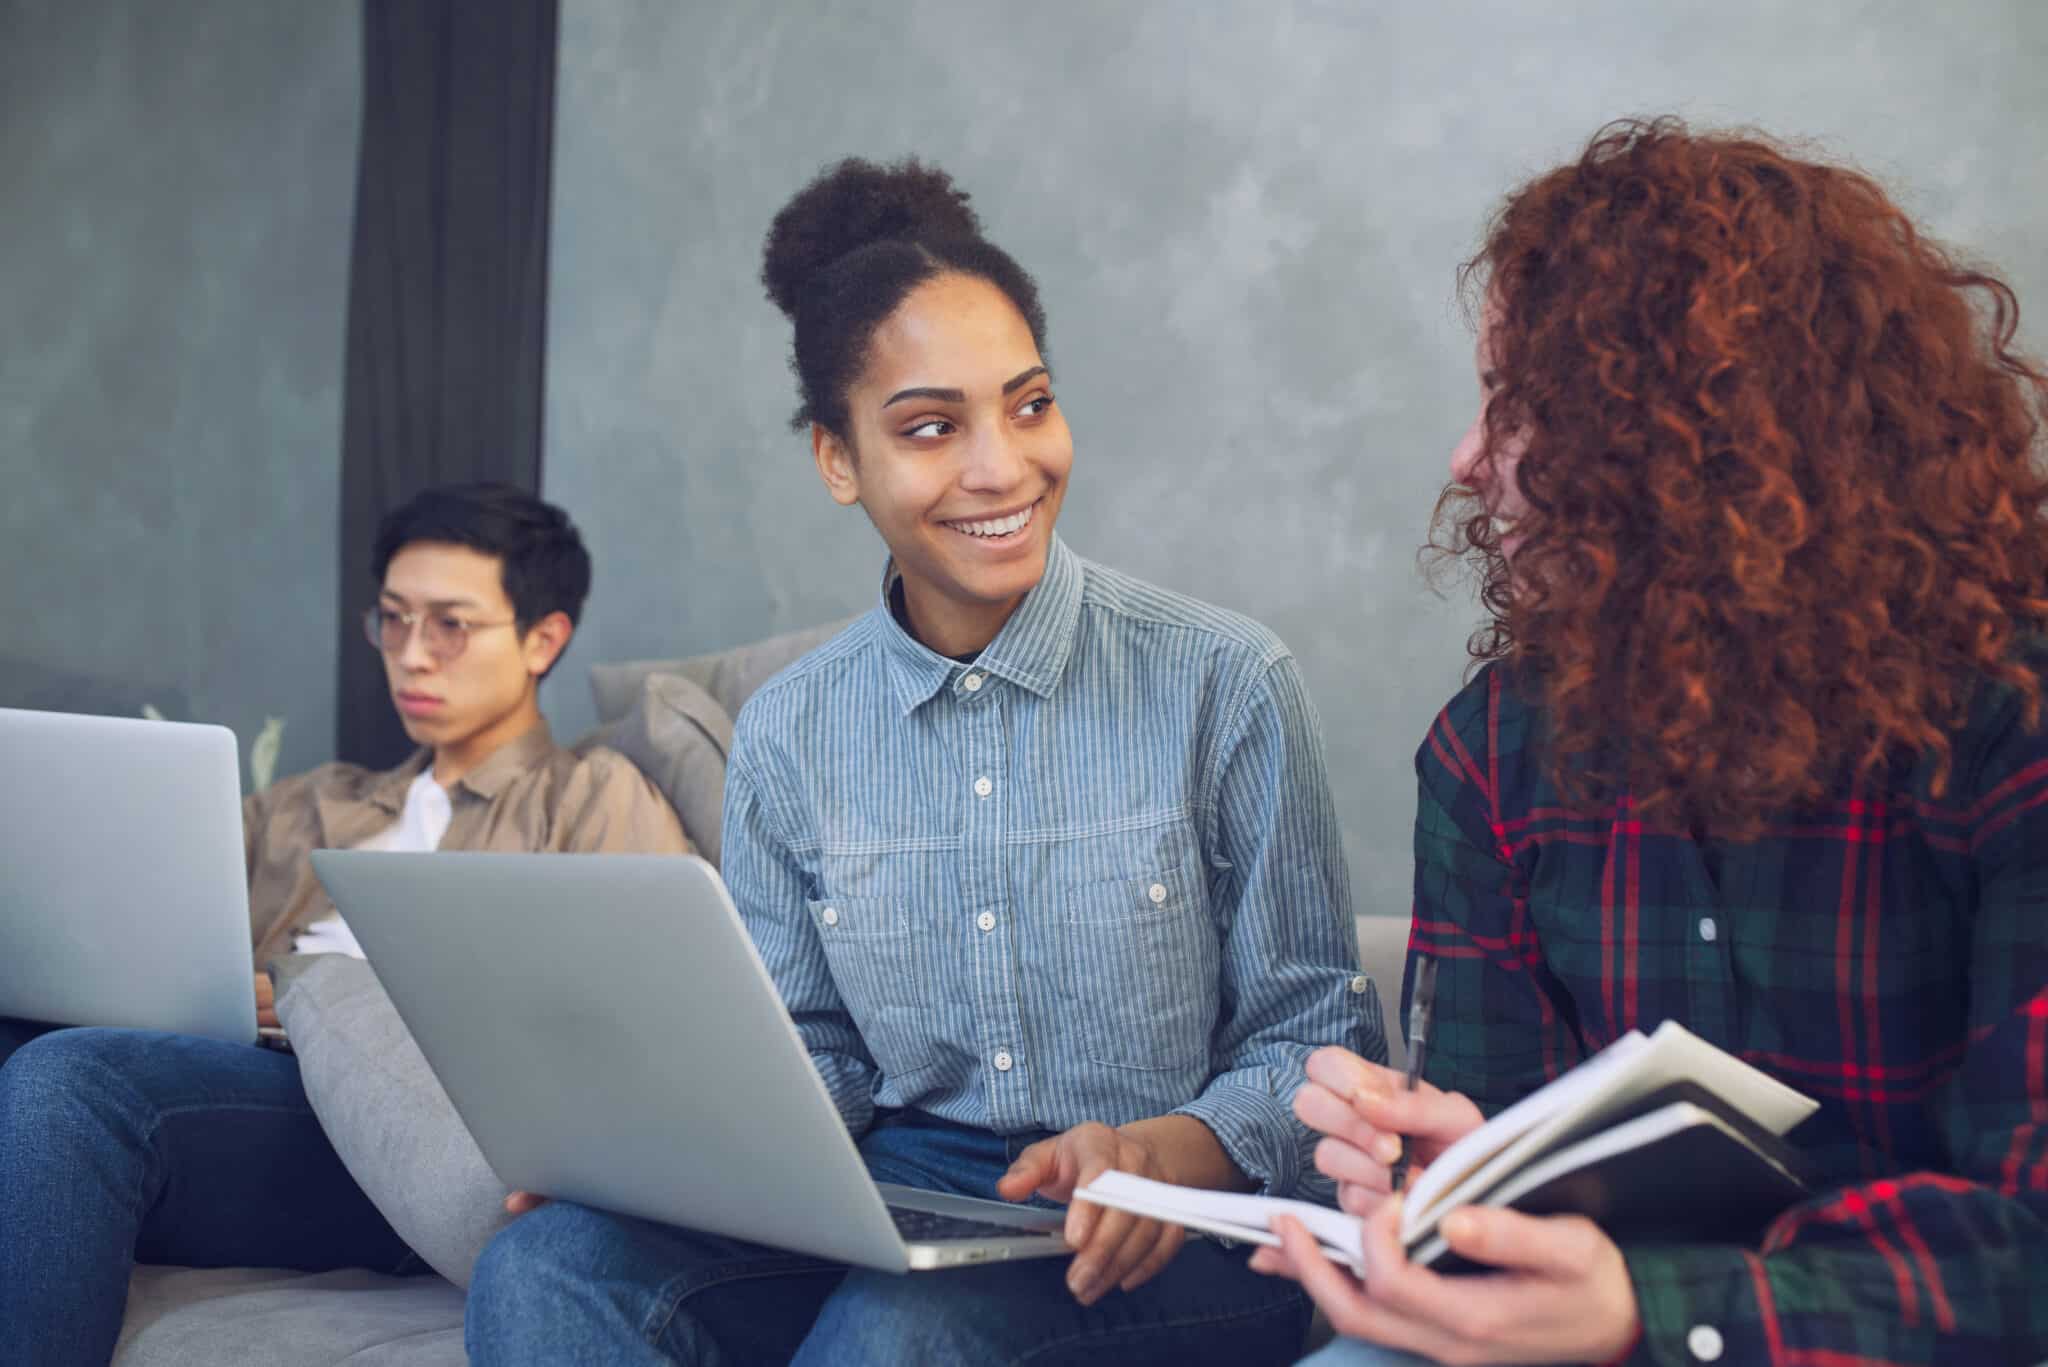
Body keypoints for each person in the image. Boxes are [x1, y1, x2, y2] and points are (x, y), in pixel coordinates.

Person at [460, 158, 1381, 1365]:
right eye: (931, 427)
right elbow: (810, 1056)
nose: (1001, 467)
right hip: (902, 1197)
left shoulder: (1224, 682)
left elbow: (1314, 1048)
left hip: (1171, 1224)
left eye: (1030, 403)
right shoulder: (791, 732)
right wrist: (648, 1159)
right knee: (544, 1264)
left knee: (898, 1332)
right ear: (838, 460)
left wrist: (1161, 1149)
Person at [1251, 119, 2048, 1365]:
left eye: (1517, 408)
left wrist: (1654, 1312)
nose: (1465, 462)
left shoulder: (2011, 728)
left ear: (1691, 447)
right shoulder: (1489, 755)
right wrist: (1461, 1165)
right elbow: (1511, 1153)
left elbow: (2031, 1252)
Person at [0, 482, 691, 1366]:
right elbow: (134, 908)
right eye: (393, 621)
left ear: (542, 639)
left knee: (69, 1078)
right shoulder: (317, 803)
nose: (411, 655)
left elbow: (643, 1017)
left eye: (450, 625)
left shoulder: (591, 797)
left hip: (392, 1142)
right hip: (226, 1089)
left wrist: (302, 998)